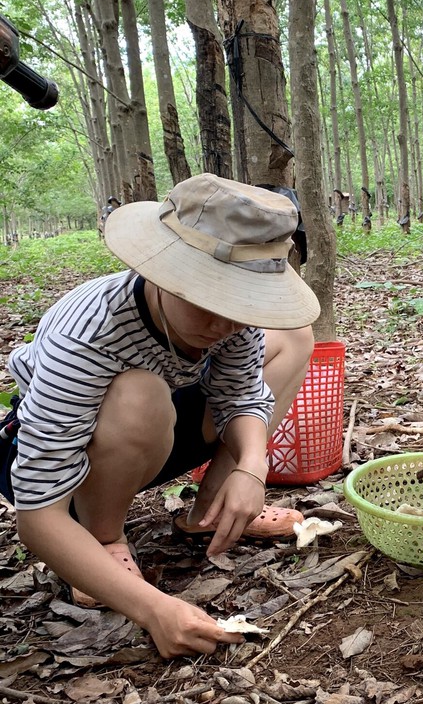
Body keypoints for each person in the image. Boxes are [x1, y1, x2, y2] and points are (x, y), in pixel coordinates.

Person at [0, 174, 320, 659]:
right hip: (60, 457)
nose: (227, 323)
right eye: (211, 300)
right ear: (161, 271)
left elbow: (240, 394)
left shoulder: (233, 319)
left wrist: (253, 466)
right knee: (139, 393)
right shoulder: (88, 333)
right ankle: (103, 538)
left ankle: (212, 513)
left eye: (241, 303)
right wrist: (155, 610)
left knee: (294, 336)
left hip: (162, 428)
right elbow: (36, 513)